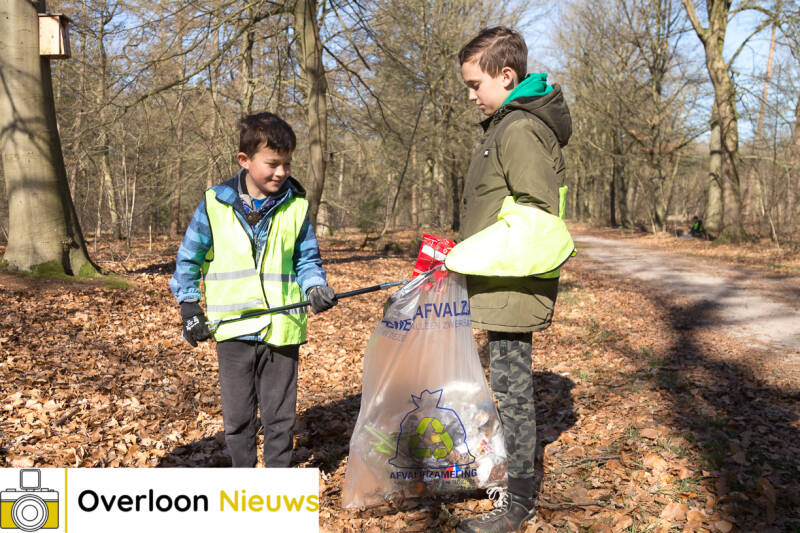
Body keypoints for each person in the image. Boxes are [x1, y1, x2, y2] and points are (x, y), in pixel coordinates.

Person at [169, 112, 337, 467]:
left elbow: (306, 261)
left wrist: (315, 288)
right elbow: (188, 258)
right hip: (233, 329)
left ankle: (276, 486)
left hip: (282, 329)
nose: (281, 172)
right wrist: (188, 307)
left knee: (279, 418)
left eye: (287, 164)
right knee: (239, 419)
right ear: (244, 161)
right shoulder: (214, 205)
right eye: (272, 164)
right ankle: (243, 483)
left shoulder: (296, 206)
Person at [455, 27, 572, 533]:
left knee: (513, 392)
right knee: (505, 387)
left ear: (507, 76)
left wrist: (464, 255)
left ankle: (519, 504)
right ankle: (507, 482)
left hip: (514, 283)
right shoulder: (504, 126)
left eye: (476, 84)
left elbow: (536, 218)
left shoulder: (519, 129)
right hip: (500, 279)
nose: (472, 95)